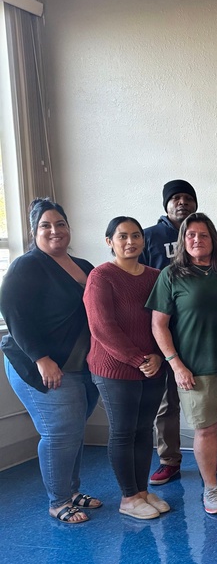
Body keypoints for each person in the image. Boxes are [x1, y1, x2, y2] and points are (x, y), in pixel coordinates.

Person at [146, 213, 217, 514]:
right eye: (191, 235)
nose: (197, 240)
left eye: (204, 235)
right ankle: (211, 489)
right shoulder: (171, 276)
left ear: (214, 239)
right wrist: (175, 364)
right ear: (183, 241)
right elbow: (159, 325)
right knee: (207, 429)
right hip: (195, 370)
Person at [0, 198, 100, 524]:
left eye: (60, 224)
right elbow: (14, 314)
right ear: (34, 231)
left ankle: (71, 491)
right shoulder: (27, 266)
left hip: (80, 365)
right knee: (59, 432)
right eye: (46, 225)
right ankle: (58, 502)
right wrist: (41, 358)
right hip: (38, 364)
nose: (54, 231)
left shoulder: (84, 266)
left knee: (73, 430)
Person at [141, 180, 217, 485]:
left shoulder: (212, 238)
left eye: (187, 198)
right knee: (167, 402)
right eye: (175, 198)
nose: (182, 203)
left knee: (209, 398)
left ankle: (214, 454)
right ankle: (169, 459)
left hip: (204, 336)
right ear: (166, 205)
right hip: (165, 334)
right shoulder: (150, 238)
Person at [83, 216, 169, 520]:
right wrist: (138, 359)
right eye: (122, 237)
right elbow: (102, 327)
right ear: (110, 242)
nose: (130, 242)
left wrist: (158, 356)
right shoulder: (101, 276)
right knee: (123, 432)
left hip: (153, 366)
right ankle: (128, 497)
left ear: (143, 241)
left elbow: (166, 321)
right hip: (114, 369)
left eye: (135, 236)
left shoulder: (157, 276)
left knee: (144, 430)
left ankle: (142, 491)